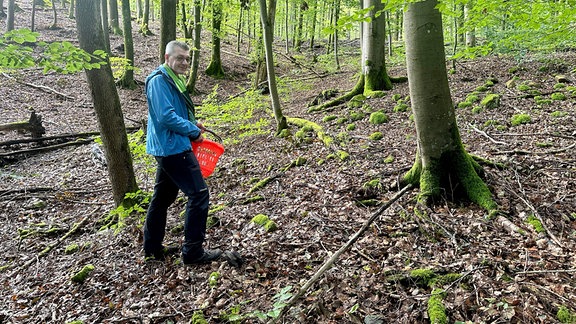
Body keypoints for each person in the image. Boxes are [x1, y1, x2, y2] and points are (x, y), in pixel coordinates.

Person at [143, 40, 222, 264]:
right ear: (167, 58)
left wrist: (193, 124)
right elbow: (165, 117)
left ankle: (152, 249)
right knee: (199, 195)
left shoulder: (172, 79)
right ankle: (193, 252)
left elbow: (175, 111)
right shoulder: (159, 81)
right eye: (180, 58)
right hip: (173, 147)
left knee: (162, 198)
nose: (184, 62)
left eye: (187, 58)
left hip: (169, 145)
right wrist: (191, 132)